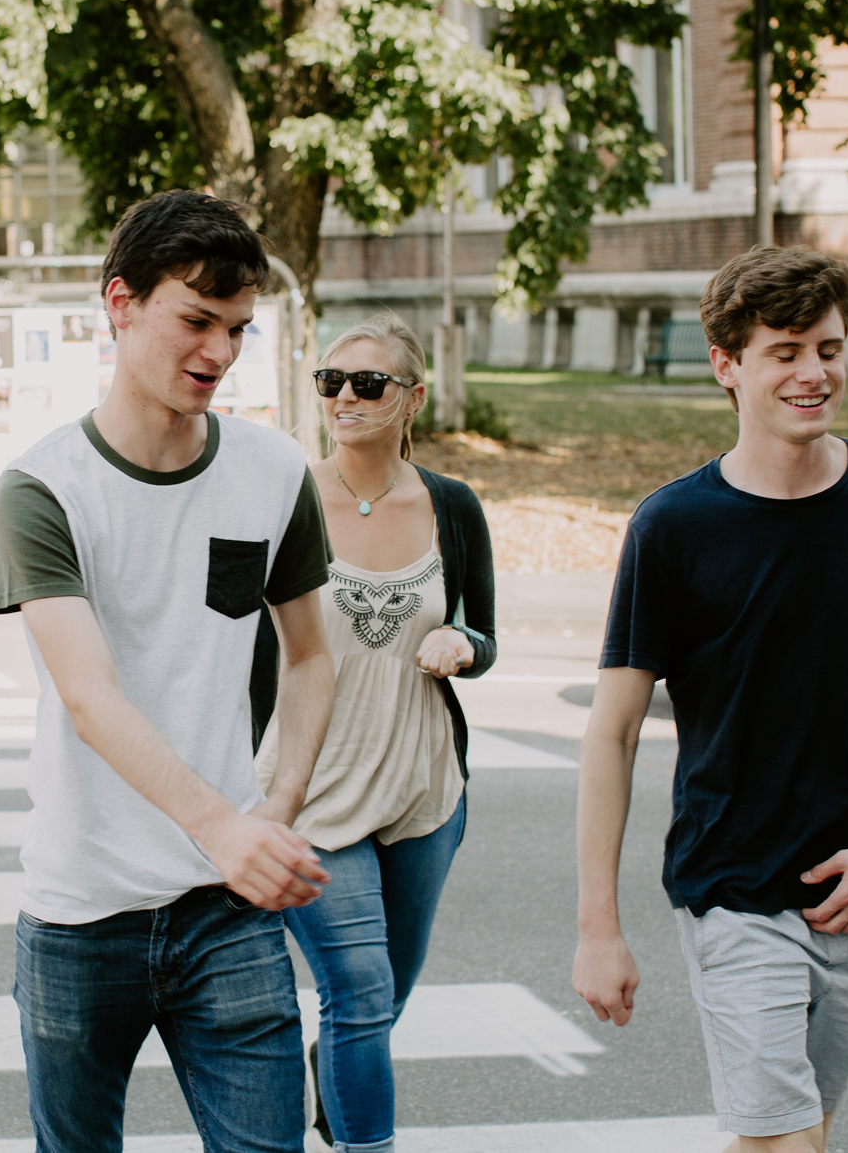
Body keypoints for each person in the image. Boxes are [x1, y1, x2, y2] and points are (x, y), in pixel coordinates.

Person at [573, 245, 848, 1153]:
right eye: (786, 352)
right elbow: (613, 733)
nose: (814, 373)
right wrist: (598, 926)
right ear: (727, 364)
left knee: (802, 1133)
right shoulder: (674, 527)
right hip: (734, 887)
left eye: (829, 350)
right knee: (785, 1140)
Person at [0, 190, 338, 1153]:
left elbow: (311, 655)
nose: (220, 351)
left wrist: (275, 809)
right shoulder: (43, 489)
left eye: (238, 328)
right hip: (80, 909)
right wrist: (224, 825)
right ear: (121, 303)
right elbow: (90, 696)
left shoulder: (274, 471)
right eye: (197, 319)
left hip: (226, 910)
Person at [252, 315, 495, 1153]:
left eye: (368, 383)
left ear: (413, 398)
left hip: (423, 785)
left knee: (382, 997)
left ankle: (341, 1067)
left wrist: (464, 643)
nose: (345, 397)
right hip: (312, 788)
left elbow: (484, 630)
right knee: (358, 991)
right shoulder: (283, 499)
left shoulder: (451, 506)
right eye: (331, 381)